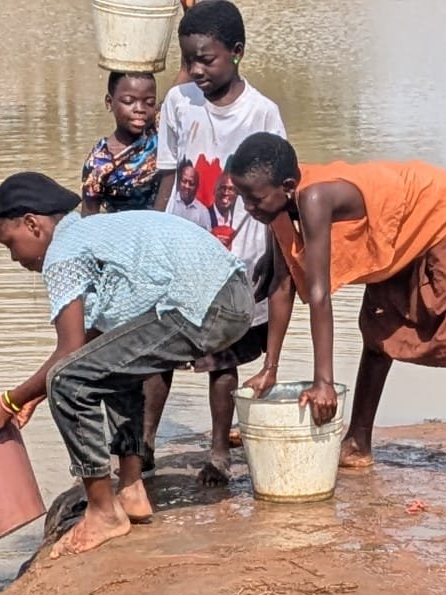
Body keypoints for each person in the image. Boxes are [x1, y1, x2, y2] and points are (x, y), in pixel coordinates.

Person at [229, 133, 446, 507]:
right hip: (398, 234)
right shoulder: (276, 208)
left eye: (253, 198)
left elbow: (319, 294)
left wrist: (324, 383)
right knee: (377, 334)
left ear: (287, 187)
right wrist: (270, 368)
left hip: (436, 214)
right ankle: (357, 443)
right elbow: (282, 284)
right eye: (242, 197)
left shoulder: (313, 198)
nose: (247, 207)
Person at [0, 171, 252, 556]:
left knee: (68, 383)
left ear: (32, 225)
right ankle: (132, 490)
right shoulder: (91, 233)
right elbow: (91, 347)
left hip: (205, 304)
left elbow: (68, 353)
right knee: (108, 368)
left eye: (10, 244)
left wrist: (9, 400)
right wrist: (32, 398)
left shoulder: (63, 252)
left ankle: (103, 511)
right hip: (232, 297)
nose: (13, 257)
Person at [144, 0, 287, 487]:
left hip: (238, 256)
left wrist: (274, 254)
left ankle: (219, 451)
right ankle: (142, 447)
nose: (199, 69)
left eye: (208, 58)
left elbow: (281, 191)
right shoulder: (180, 104)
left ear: (237, 52)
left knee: (222, 359)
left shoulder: (262, 112)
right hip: (183, 252)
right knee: (160, 351)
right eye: (191, 59)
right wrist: (153, 237)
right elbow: (168, 175)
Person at [80, 71, 160, 215]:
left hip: (169, 226)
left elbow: (184, 75)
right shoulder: (99, 163)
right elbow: (88, 221)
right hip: (125, 233)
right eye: (129, 101)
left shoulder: (157, 129)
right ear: (109, 102)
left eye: (149, 102)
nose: (140, 109)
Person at [167, 158, 213, 229]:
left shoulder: (203, 212)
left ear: (197, 186)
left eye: (191, 183)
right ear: (179, 182)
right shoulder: (169, 203)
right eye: (184, 181)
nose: (187, 186)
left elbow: (206, 237)